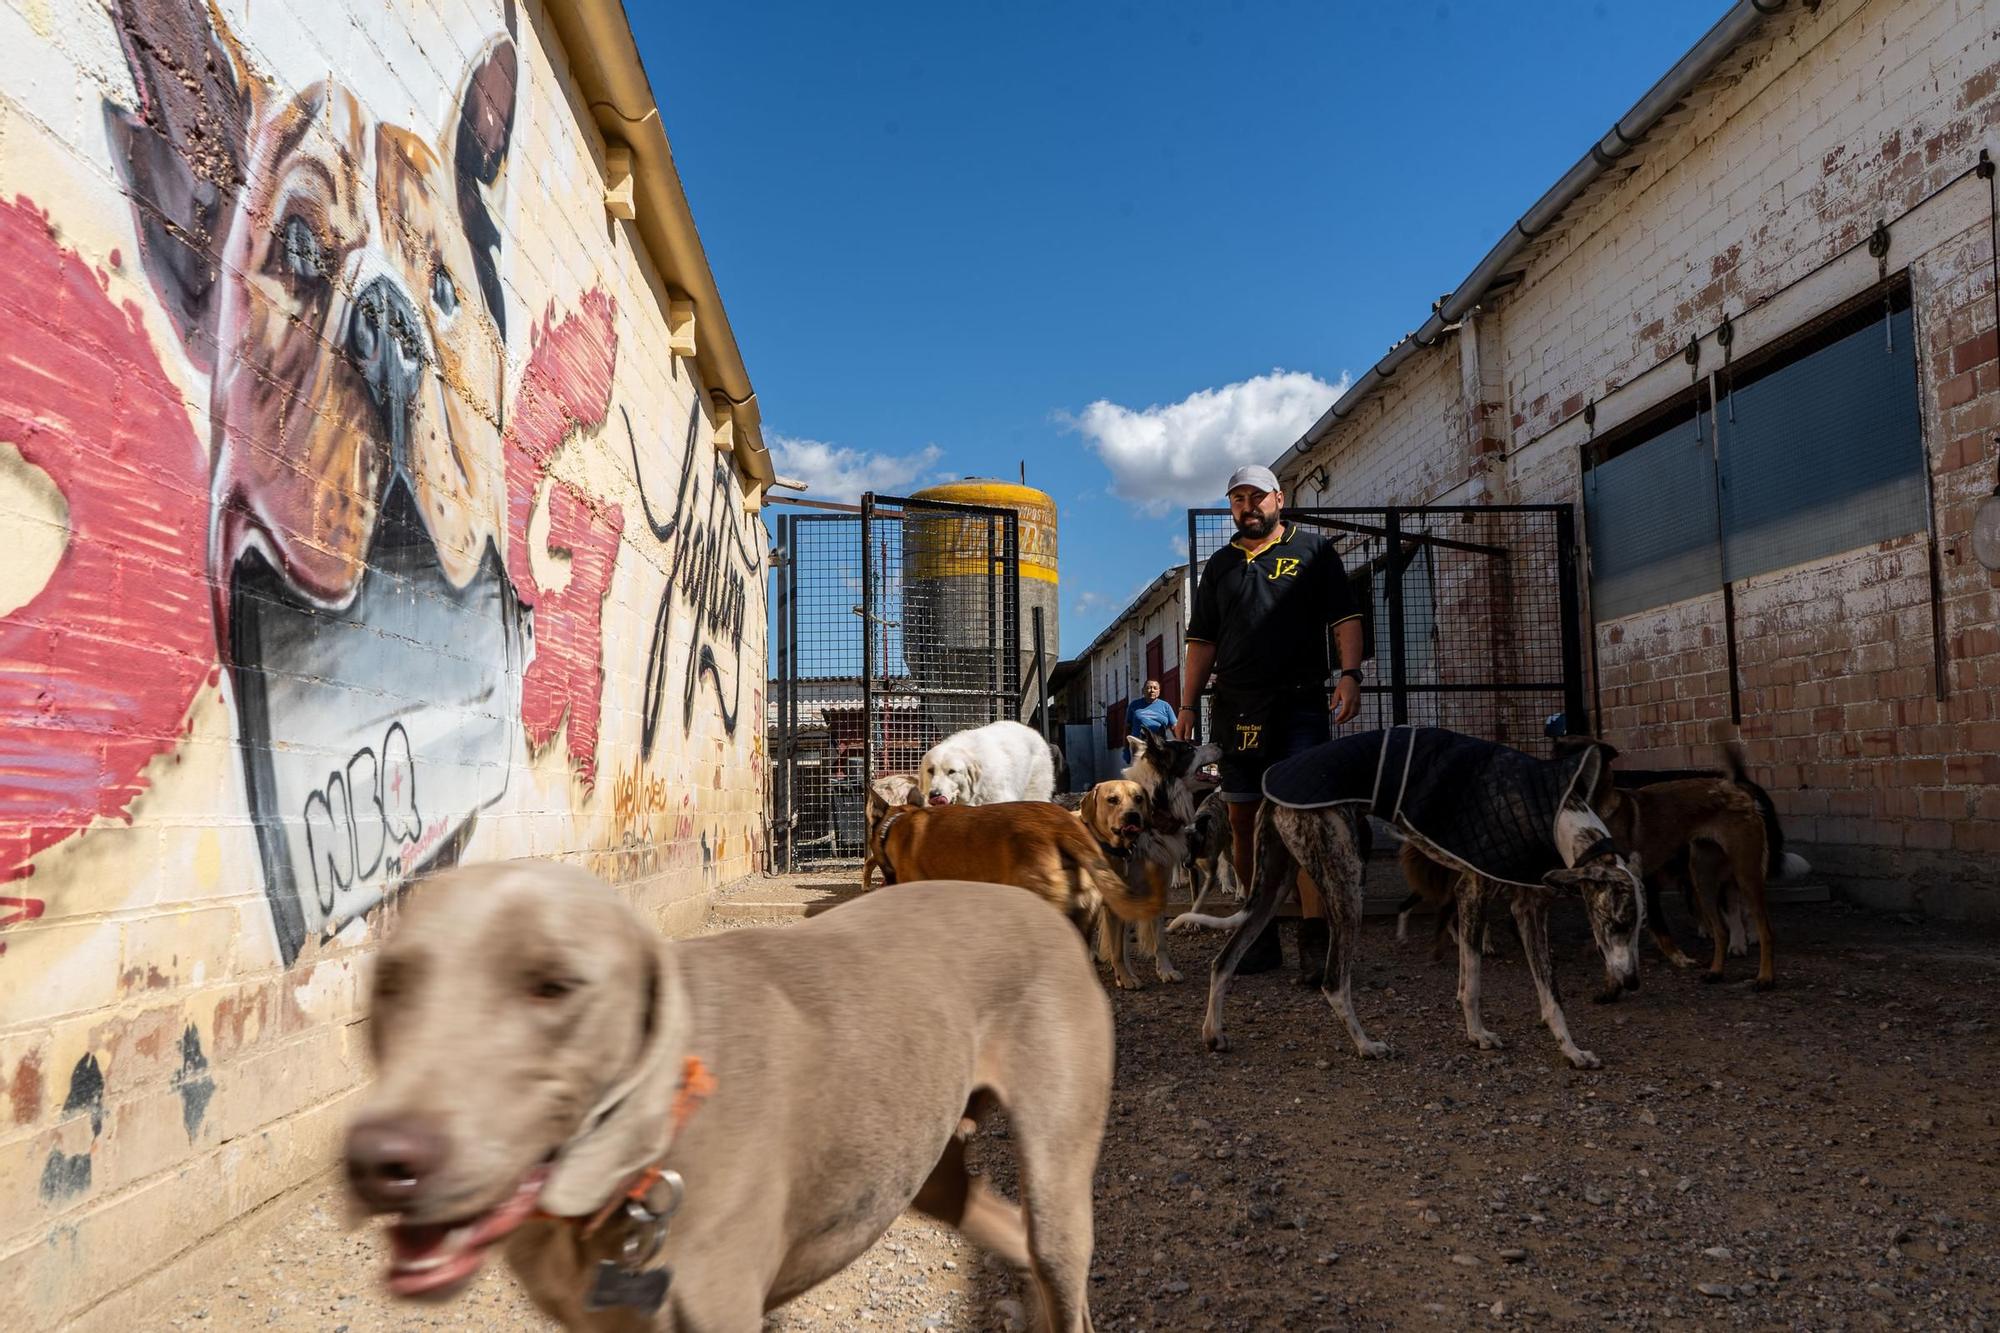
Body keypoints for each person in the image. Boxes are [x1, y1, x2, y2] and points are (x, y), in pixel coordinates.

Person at [1174, 463, 1364, 977]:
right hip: (1236, 706)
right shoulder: (1220, 566)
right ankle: (1256, 933)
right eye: (1238, 498)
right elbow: (1201, 643)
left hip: (1300, 702)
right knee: (1242, 817)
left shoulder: (1313, 551)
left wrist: (1350, 675)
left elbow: (1345, 618)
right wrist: (1187, 705)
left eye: (1257, 496)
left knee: (1305, 819)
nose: (1247, 506)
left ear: (1279, 499)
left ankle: (1315, 937)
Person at [1121, 679, 1178, 766]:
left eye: (1155, 688)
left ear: (1159, 691)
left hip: (1159, 746)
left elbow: (1174, 727)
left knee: (1159, 773)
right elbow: (1127, 728)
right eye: (1148, 688)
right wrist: (1125, 749)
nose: (1152, 690)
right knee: (1142, 774)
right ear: (1143, 691)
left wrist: (1181, 743)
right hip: (1139, 746)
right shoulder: (1134, 705)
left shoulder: (1165, 706)